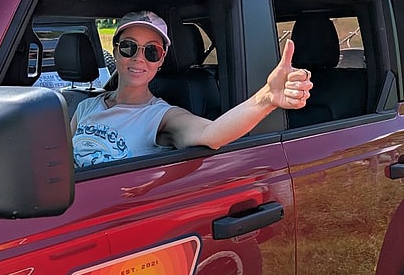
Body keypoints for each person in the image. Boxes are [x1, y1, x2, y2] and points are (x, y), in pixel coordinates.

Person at [71, 11, 313, 168]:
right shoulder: (85, 106)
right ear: (114, 50)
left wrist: (267, 98)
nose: (139, 58)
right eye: (128, 47)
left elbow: (211, 133)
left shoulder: (161, 117)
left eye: (151, 51)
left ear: (162, 59)